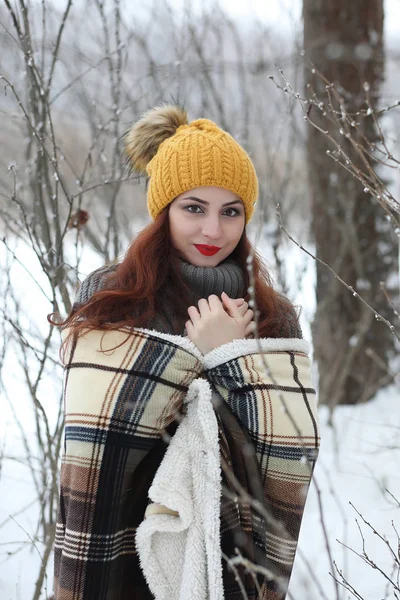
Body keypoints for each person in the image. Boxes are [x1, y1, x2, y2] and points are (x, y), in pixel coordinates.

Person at [49, 105, 320, 600]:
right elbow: (95, 440)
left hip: (229, 552)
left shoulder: (272, 313)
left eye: (230, 211)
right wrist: (192, 357)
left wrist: (232, 359)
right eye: (194, 208)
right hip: (124, 544)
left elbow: (288, 459)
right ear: (164, 210)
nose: (213, 231)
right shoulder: (113, 296)